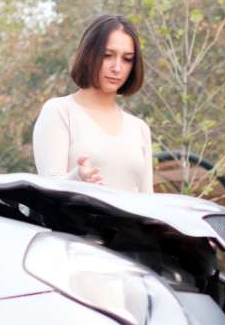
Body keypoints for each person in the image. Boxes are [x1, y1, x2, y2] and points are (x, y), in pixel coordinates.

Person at [33, 14, 153, 194]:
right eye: (107, 55)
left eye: (127, 58)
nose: (117, 68)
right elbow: (48, 191)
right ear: (89, 55)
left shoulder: (139, 128)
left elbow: (148, 201)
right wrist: (78, 178)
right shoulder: (59, 112)